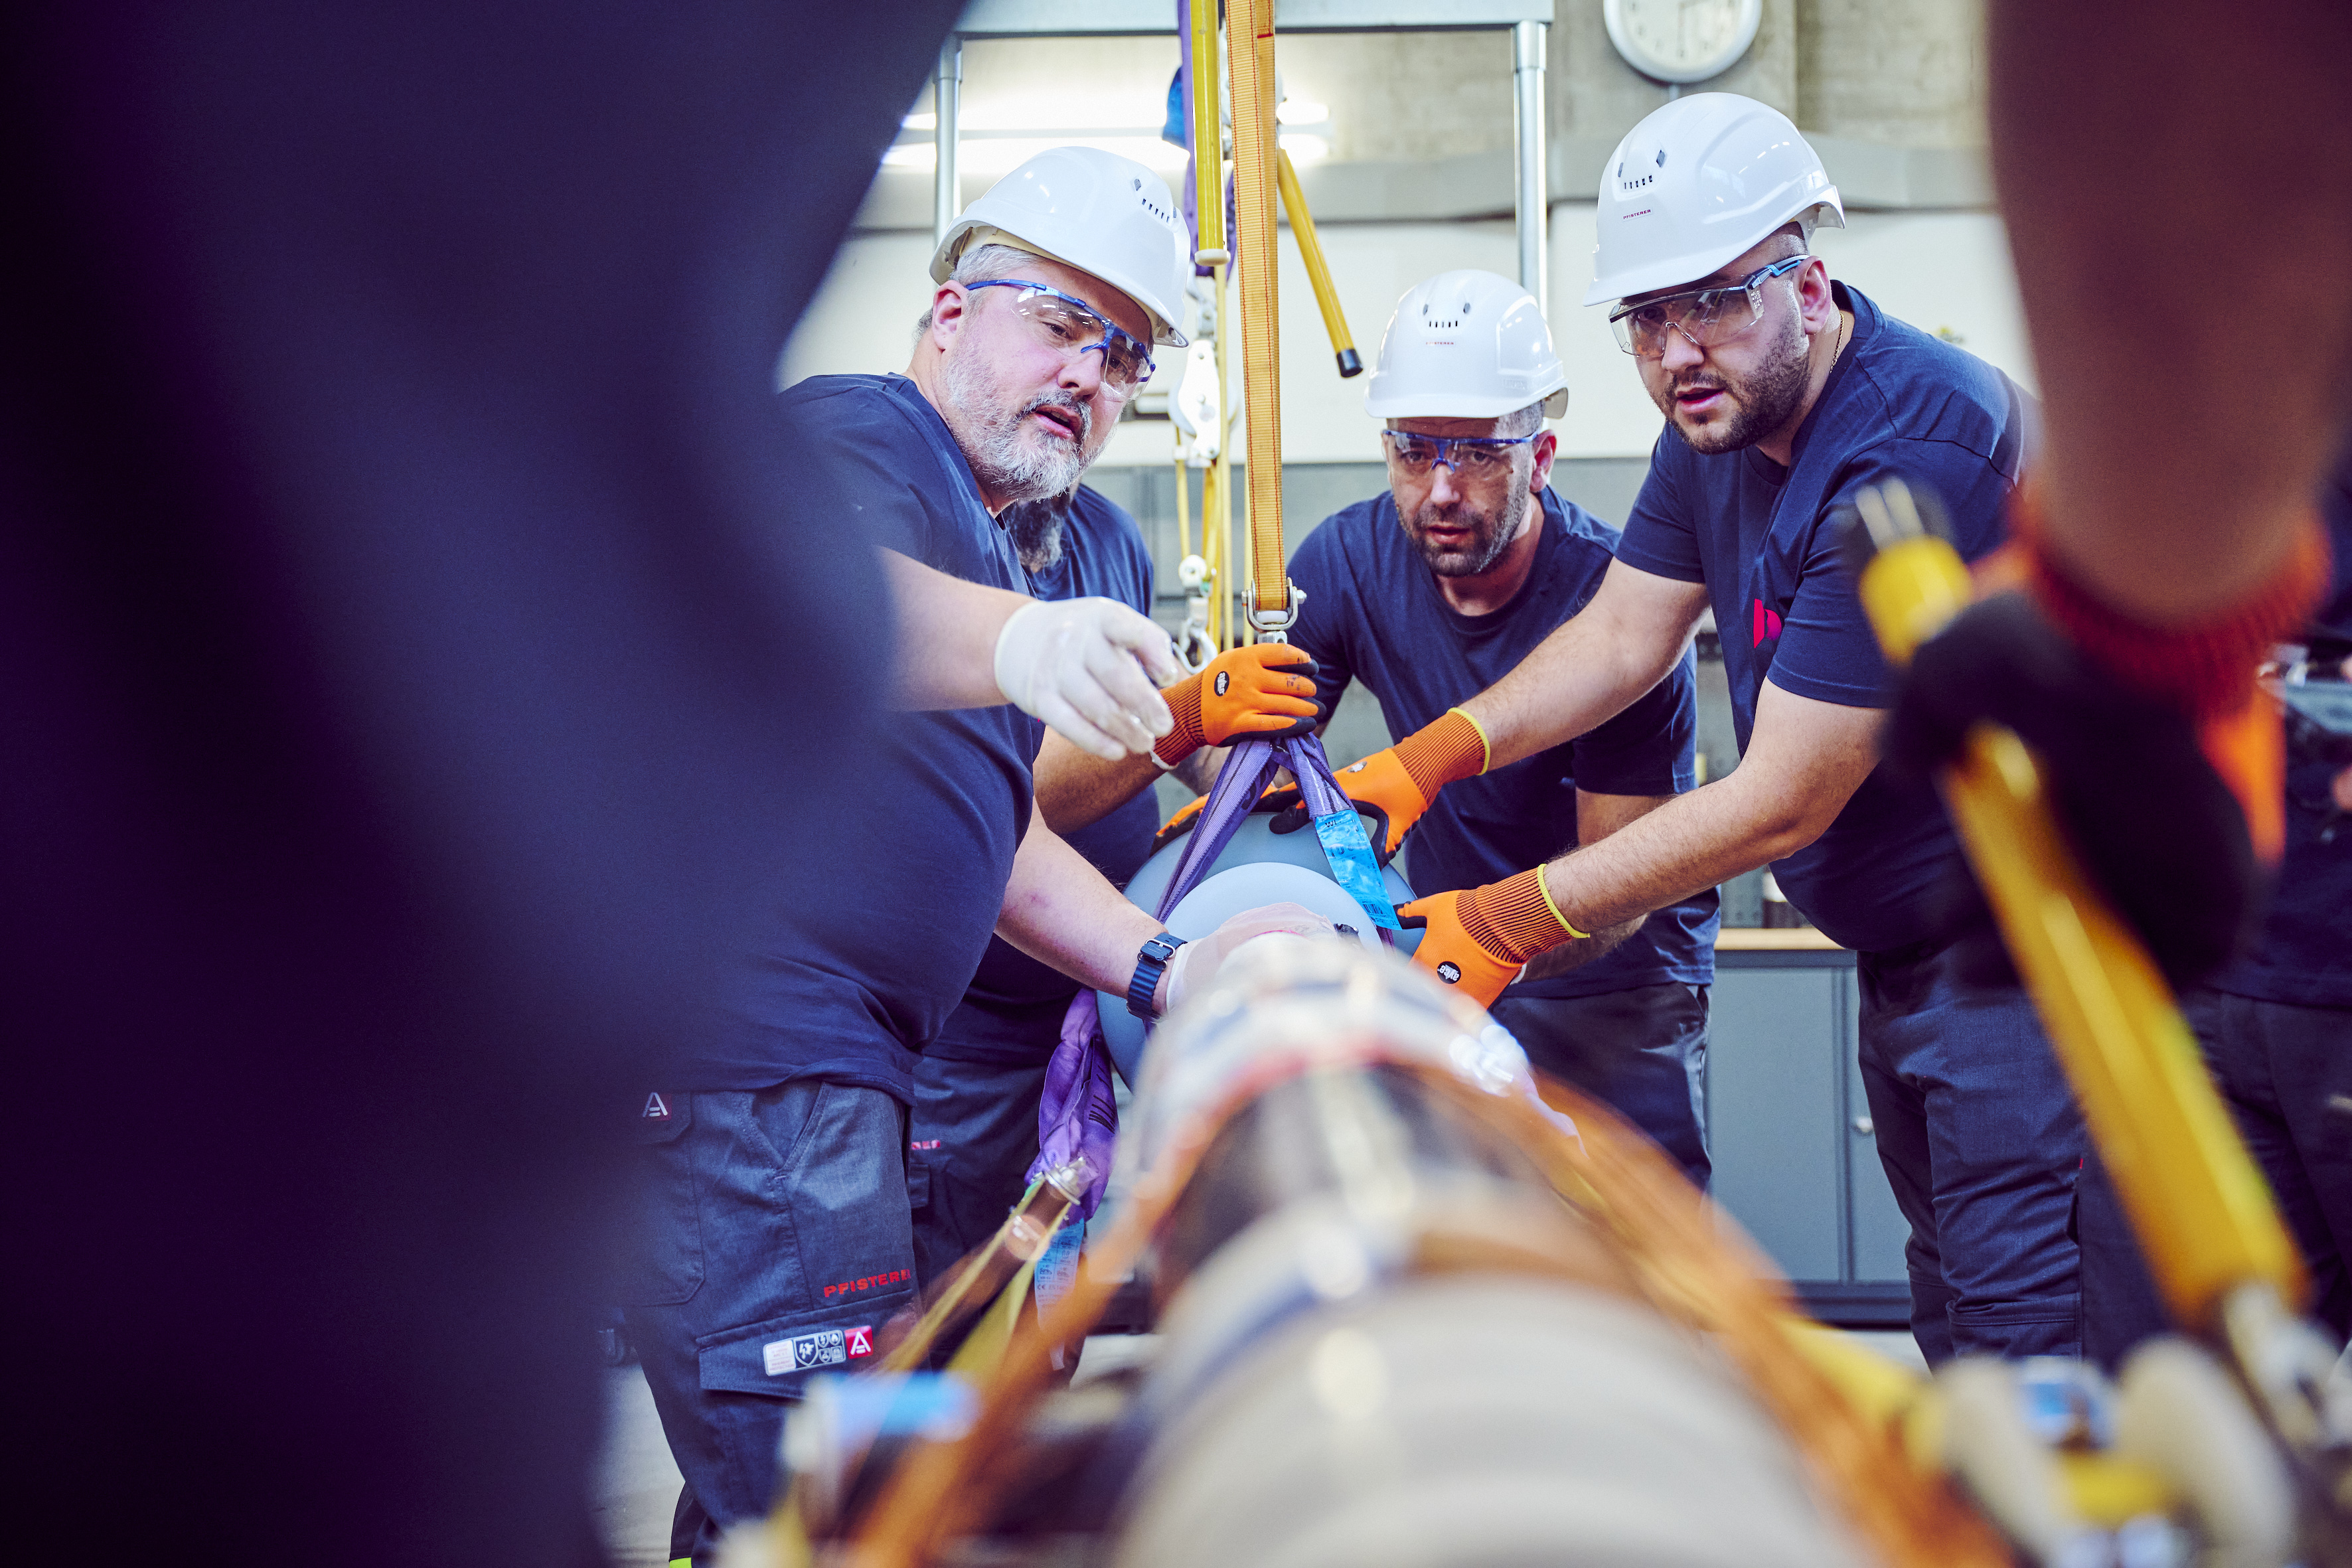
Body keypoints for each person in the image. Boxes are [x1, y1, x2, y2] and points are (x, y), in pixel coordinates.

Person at [619, 145, 1332, 1563]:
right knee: (838, 1511)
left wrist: (1169, 968)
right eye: (1058, 321)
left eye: (1121, 352)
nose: (1090, 371)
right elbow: (806, 586)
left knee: (793, 1492)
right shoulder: (868, 438)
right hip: (764, 1074)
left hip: (830, 1082)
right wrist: (1023, 641)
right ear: (948, 313)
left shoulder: (997, 543)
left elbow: (993, 842)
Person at [1333, 96, 2076, 1364]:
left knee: (2022, 1331)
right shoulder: (1717, 428)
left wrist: (1514, 912)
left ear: (1810, 278)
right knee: (1950, 1304)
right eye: (1645, 317)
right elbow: (1625, 639)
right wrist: (1432, 752)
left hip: (2025, 955)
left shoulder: (1910, 444)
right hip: (1909, 956)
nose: (1677, 348)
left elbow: (1785, 793)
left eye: (1715, 300)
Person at [1269, 268, 1719, 1186]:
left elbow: (1622, 883)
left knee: (1628, 1268)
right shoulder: (1345, 561)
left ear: (1540, 456)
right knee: (1462, 1252)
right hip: (1441, 966)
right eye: (1411, 450)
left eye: (1474, 454)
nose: (1438, 489)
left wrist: (1493, 938)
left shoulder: (1615, 606)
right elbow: (1264, 776)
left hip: (1612, 982)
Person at [905, 479, 1319, 1283]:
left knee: (1052, 1316)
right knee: (968, 1311)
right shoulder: (932, 551)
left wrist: (1240, 771)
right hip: (976, 1044)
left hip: (1097, 1013)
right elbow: (998, 802)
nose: (1087, 382)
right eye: (1058, 341)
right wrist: (1187, 719)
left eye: (1119, 365)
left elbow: (1143, 722)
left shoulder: (1108, 536)